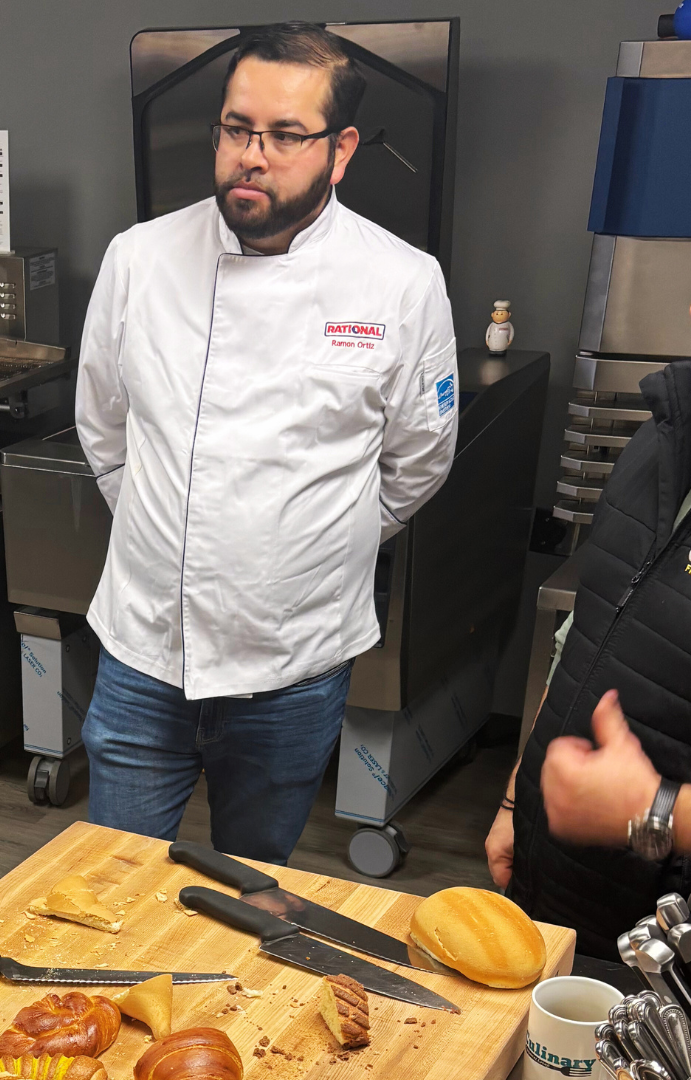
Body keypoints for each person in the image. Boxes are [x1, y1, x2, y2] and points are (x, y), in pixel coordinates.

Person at [75, 22, 458, 864]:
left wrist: (307, 544)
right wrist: (165, 522)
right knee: (110, 888)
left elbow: (418, 461)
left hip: (294, 661)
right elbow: (103, 430)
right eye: (237, 128)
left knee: (252, 887)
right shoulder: (138, 259)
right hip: (145, 651)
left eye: (285, 135)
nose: (252, 154)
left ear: (342, 148)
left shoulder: (401, 281)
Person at [486, 144, 691, 996]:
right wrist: (524, 792)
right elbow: (592, 625)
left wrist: (658, 812)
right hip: (568, 917)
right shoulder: (687, 418)